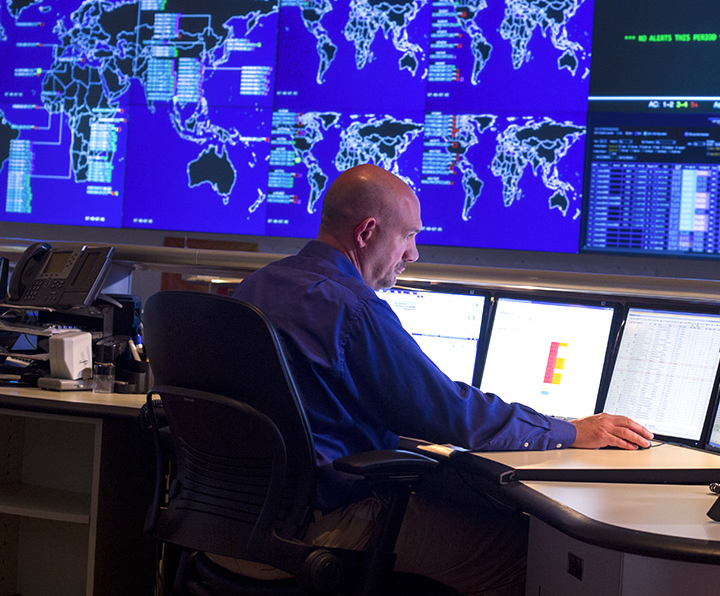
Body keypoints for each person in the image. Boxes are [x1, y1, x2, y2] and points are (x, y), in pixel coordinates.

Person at [230, 163, 653, 595]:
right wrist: (568, 431)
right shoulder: (350, 308)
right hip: (320, 528)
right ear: (366, 233)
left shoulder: (255, 286)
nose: (413, 254)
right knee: (530, 553)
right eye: (409, 236)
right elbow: (449, 414)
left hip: (228, 526)